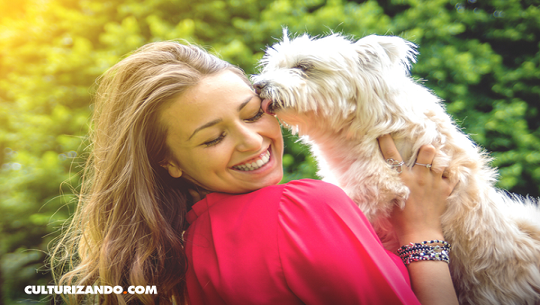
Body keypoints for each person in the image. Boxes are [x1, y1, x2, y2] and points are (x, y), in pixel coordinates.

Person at [50, 40, 459, 305]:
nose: (251, 141)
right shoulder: (301, 209)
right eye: (213, 139)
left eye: (254, 113)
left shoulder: (173, 261)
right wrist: (421, 230)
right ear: (167, 161)